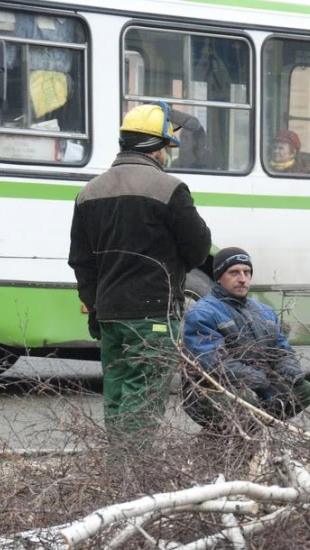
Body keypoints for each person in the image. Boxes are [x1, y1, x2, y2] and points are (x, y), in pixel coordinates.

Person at [68, 101, 211, 448]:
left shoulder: (89, 193)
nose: (168, 155)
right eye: (167, 147)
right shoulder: (169, 189)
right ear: (157, 147)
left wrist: (94, 306)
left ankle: (117, 476)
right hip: (153, 316)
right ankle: (131, 480)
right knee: (143, 401)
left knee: (117, 398)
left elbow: (81, 262)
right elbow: (199, 248)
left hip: (110, 315)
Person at [181, 247, 310, 431]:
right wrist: (263, 382)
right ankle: (224, 436)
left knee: (303, 389)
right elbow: (216, 366)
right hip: (209, 392)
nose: (243, 279)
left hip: (256, 386)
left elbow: (282, 350)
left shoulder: (264, 311)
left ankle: (251, 429)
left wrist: (287, 376)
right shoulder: (202, 313)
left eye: (247, 272)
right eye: (234, 273)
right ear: (219, 277)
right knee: (246, 398)